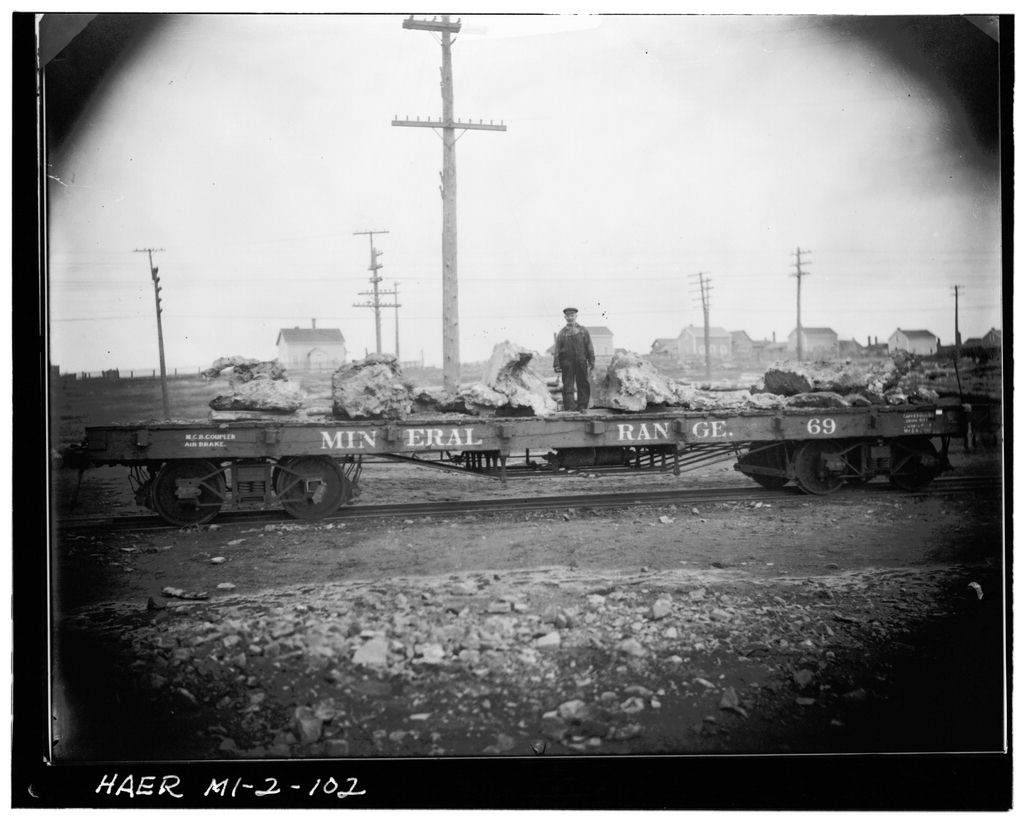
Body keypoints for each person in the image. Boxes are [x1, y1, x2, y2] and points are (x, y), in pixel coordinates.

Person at [553, 307, 595, 412]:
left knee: (583, 383)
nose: (570, 318)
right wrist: (556, 363)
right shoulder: (562, 333)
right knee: (568, 385)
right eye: (568, 316)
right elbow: (557, 349)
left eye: (572, 315)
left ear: (576, 316)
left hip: (581, 361)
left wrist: (591, 360)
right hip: (566, 363)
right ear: (565, 317)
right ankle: (570, 407)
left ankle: (582, 406)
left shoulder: (583, 330)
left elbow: (589, 346)